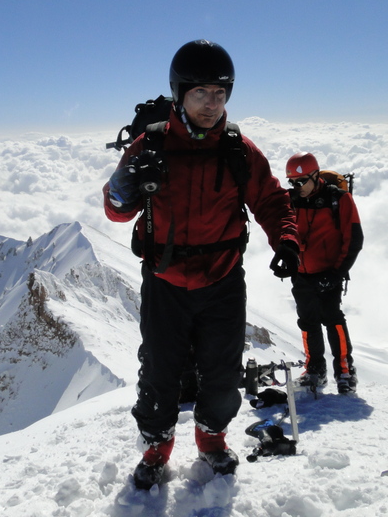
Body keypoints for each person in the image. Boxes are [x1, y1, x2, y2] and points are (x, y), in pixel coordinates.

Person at [103, 40, 300, 490]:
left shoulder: (237, 150)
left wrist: (286, 241)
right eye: (201, 94)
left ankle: (211, 440)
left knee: (222, 369)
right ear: (179, 94)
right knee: (159, 369)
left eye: (221, 94)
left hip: (223, 279)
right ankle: (157, 448)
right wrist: (124, 180)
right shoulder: (148, 145)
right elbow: (116, 209)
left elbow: (271, 201)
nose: (212, 104)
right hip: (165, 281)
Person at [285, 152, 364, 394]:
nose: (297, 187)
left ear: (315, 175)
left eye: (301, 181)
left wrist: (338, 273)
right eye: (292, 182)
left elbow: (354, 239)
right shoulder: (290, 200)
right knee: (308, 322)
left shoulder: (338, 199)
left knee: (333, 319)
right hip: (301, 273)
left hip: (329, 273)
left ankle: (345, 371)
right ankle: (315, 370)